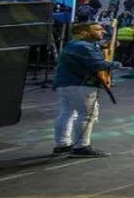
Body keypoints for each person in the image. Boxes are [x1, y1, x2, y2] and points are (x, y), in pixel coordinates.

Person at [52, 22, 121, 158]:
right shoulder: (84, 47)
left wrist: (103, 47)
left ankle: (62, 144)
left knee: (67, 113)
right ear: (84, 32)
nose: (102, 32)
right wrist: (116, 64)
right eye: (98, 30)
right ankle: (81, 146)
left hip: (66, 84)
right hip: (80, 85)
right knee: (87, 115)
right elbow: (97, 64)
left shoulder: (74, 45)